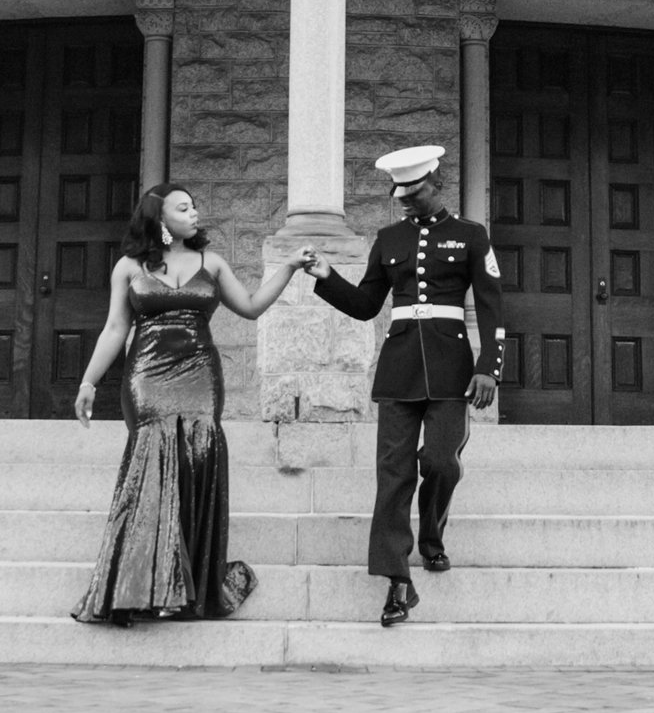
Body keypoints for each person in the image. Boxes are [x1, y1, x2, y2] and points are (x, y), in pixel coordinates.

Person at [71, 183, 302, 626]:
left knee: (195, 462)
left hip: (199, 375)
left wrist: (289, 266)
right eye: (184, 207)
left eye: (194, 206)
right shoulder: (128, 267)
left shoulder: (210, 262)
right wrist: (89, 381)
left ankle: (182, 583)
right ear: (161, 220)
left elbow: (251, 307)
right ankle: (136, 586)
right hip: (148, 377)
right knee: (153, 470)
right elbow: (116, 328)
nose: (195, 213)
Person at [299, 145, 503, 628]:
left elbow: (493, 306)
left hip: (453, 371)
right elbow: (368, 304)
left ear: (437, 182)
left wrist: (488, 367)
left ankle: (431, 535)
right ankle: (397, 582)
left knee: (439, 462)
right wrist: (327, 276)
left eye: (413, 192)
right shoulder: (389, 238)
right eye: (400, 194)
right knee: (393, 476)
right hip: (398, 371)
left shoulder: (471, 236)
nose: (405, 201)